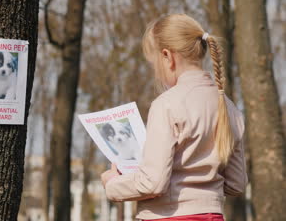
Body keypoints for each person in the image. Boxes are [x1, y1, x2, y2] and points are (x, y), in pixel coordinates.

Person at [101, 14, 248, 221]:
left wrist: (113, 184)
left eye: (154, 64)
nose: (156, 72)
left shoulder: (167, 104)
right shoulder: (229, 107)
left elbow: (153, 183)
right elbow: (236, 183)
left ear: (167, 57)